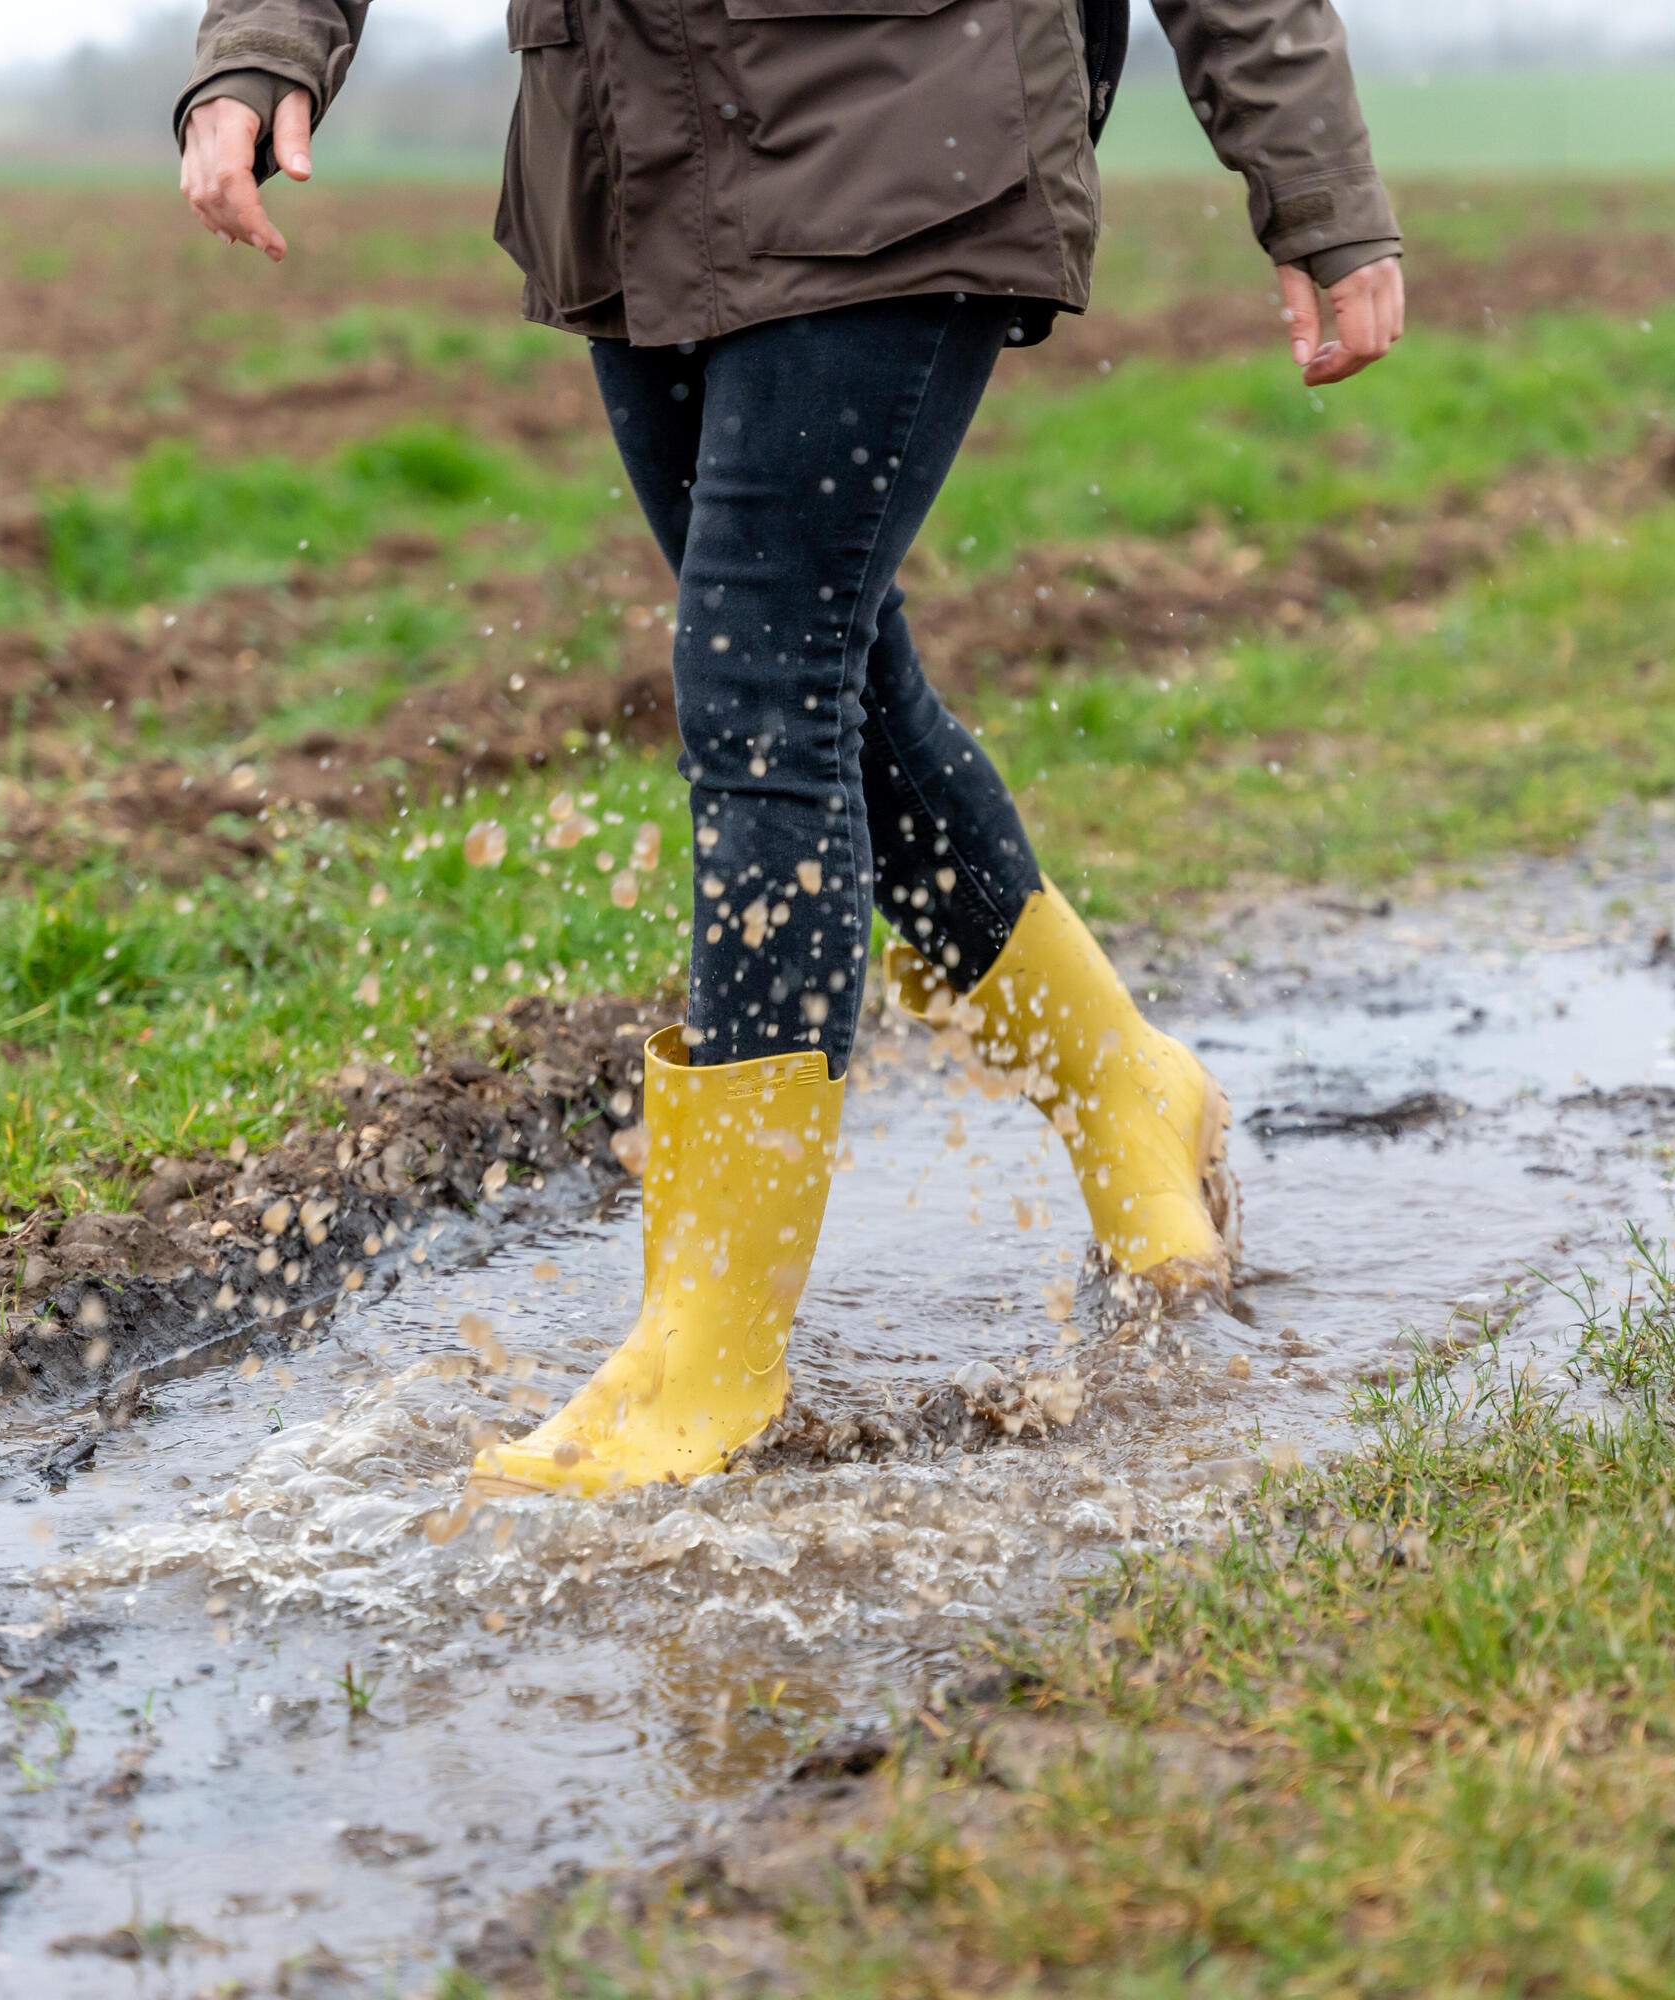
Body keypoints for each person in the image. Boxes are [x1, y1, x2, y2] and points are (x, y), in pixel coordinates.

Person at [174, 0, 1402, 1496]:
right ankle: (1125, 1086)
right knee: (832, 676)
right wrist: (260, 51)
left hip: (905, 117)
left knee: (761, 680)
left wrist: (1318, 188)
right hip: (632, 145)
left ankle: (711, 1336)